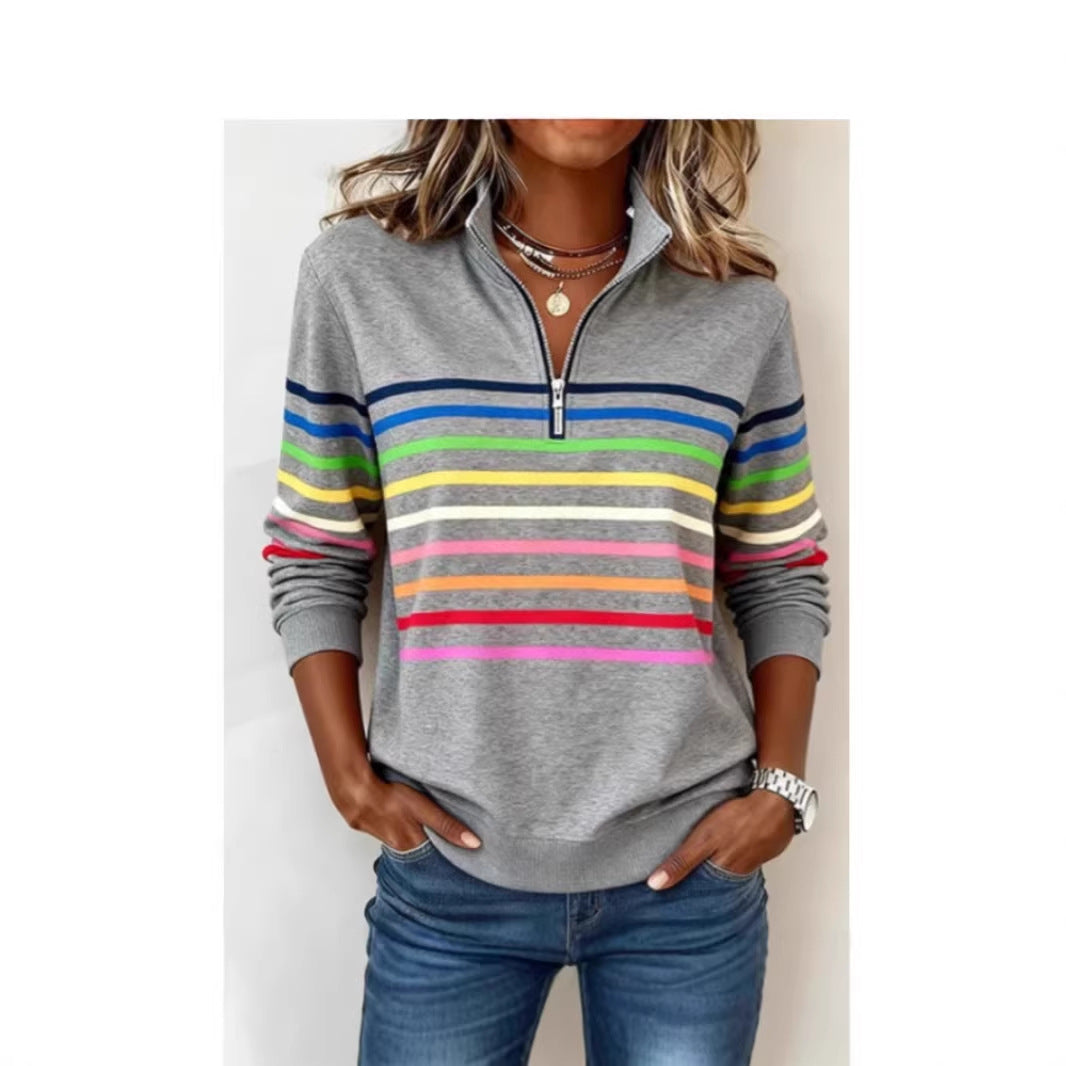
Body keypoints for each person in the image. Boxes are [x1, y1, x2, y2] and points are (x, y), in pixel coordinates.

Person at [261, 119, 831, 1066]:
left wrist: (781, 791)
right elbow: (317, 547)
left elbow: (778, 566)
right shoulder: (361, 280)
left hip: (688, 884)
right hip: (448, 882)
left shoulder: (739, 313)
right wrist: (350, 782)